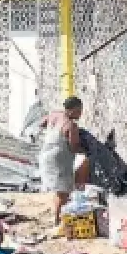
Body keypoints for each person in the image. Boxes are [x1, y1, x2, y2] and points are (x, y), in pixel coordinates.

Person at [39, 96, 88, 226]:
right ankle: (58, 220)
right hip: (60, 160)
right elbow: (73, 147)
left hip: (46, 155)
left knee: (59, 190)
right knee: (64, 192)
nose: (80, 114)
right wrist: (87, 151)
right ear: (71, 111)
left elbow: (42, 123)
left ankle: (57, 218)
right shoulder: (71, 125)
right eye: (79, 111)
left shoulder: (55, 114)